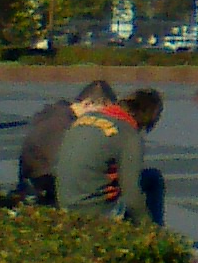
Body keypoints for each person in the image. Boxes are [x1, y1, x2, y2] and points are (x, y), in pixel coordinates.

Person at [56, 87, 165, 224]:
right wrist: (147, 225)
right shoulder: (128, 135)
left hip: (65, 203)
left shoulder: (85, 119)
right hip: (96, 211)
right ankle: (157, 229)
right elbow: (131, 195)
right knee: (153, 178)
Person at [16, 79, 117, 203]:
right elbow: (64, 166)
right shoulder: (62, 124)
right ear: (87, 104)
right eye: (101, 113)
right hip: (46, 186)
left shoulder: (57, 113)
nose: (103, 119)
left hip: (36, 181)